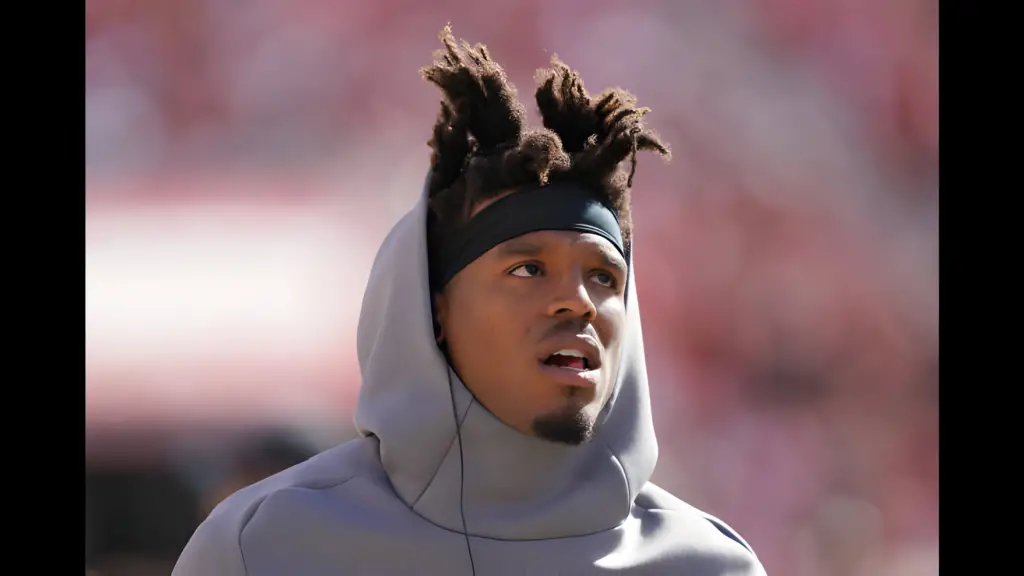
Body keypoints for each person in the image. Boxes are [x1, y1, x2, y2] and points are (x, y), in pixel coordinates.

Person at [172, 26, 766, 575]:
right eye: (529, 269)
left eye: (604, 278)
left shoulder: (711, 567)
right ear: (434, 309)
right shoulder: (265, 547)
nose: (578, 303)